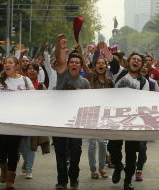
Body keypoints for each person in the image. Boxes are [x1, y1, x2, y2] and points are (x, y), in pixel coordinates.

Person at [0, 55, 34, 189]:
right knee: (1, 151)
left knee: (13, 150)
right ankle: (3, 169)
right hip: (0, 122)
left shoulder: (25, 81)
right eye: (5, 63)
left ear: (17, 65)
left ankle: (10, 179)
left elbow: (35, 98)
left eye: (10, 63)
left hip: (16, 121)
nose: (7, 65)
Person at [107, 46, 149, 190]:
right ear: (128, 62)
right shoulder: (120, 73)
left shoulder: (144, 83)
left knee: (131, 154)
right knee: (113, 148)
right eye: (133, 59)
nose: (136, 61)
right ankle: (118, 166)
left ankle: (127, 180)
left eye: (139, 60)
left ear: (142, 65)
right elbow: (111, 61)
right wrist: (103, 49)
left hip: (133, 122)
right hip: (116, 119)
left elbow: (146, 104)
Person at [53, 34, 90, 190]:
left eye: (77, 62)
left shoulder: (85, 83)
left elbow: (89, 103)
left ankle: (73, 178)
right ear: (68, 66)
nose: (74, 64)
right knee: (60, 154)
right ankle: (62, 181)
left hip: (76, 124)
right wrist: (60, 45)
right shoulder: (62, 77)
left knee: (75, 153)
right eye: (72, 62)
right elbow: (60, 60)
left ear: (81, 67)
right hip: (59, 122)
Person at [82, 42, 113, 180]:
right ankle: (93, 169)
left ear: (106, 67)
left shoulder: (109, 82)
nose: (101, 65)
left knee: (103, 143)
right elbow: (85, 64)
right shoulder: (90, 77)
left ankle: (102, 168)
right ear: (95, 66)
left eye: (103, 63)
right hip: (92, 114)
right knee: (93, 143)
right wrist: (91, 52)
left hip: (105, 116)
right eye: (98, 63)